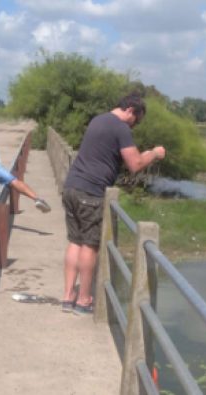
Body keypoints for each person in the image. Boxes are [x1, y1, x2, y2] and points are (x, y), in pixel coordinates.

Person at [62, 94, 166, 315]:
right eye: (136, 120)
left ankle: (67, 296)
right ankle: (83, 300)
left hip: (71, 186)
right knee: (89, 246)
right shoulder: (120, 128)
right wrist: (155, 154)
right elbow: (135, 165)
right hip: (91, 193)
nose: (135, 125)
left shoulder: (98, 119)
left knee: (74, 242)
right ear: (130, 110)